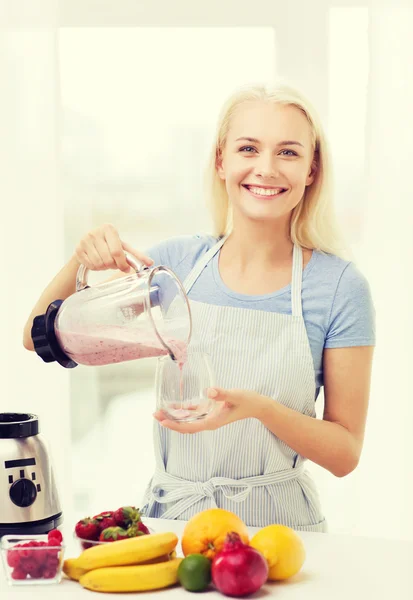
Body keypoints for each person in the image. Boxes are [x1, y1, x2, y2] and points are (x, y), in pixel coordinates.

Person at [23, 83, 375, 532]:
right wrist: (81, 260)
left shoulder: (340, 287)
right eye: (249, 148)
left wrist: (258, 409)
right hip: (174, 527)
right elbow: (37, 338)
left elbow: (345, 454)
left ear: (311, 170)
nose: (265, 169)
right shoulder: (178, 268)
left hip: (282, 534)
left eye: (288, 152)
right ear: (221, 160)